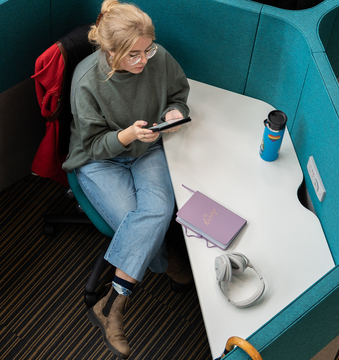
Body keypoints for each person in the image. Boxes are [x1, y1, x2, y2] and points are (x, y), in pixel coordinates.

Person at [62, 1, 192, 358]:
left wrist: (174, 111)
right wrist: (128, 135)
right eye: (133, 54)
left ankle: (111, 306)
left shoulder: (158, 57)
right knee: (139, 220)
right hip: (99, 159)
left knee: (156, 212)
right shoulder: (88, 81)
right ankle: (165, 261)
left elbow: (180, 92)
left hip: (147, 148)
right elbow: (92, 145)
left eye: (147, 49)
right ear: (108, 51)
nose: (144, 60)